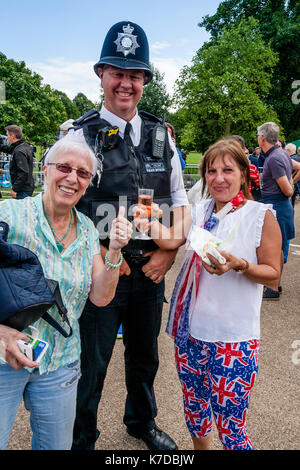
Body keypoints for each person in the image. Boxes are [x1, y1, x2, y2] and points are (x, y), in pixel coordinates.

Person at [71, 21, 188, 451]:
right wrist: (102, 259)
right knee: (92, 363)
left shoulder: (162, 136)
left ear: (145, 81)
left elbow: (179, 204)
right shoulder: (77, 136)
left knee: (145, 360)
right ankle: (81, 437)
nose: (126, 83)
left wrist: (168, 256)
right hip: (101, 274)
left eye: (134, 74)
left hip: (150, 274)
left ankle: (141, 422)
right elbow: (60, 213)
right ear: (100, 74)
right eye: (117, 72)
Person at [135, 139, 281, 450]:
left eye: (228, 170)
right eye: (211, 171)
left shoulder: (261, 216)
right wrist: (147, 223)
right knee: (196, 414)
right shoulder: (199, 209)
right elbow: (172, 239)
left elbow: (273, 273)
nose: (218, 178)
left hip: (233, 342)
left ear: (243, 173)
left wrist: (240, 265)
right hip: (190, 337)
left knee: (232, 430)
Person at [0, 136, 132, 450]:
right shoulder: (8, 215)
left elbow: (100, 297)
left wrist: (114, 251)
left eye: (83, 173)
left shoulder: (86, 229)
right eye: (64, 167)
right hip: (3, 358)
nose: (72, 178)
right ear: (45, 170)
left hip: (61, 362)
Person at [257, 122, 294, 300]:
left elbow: (287, 190)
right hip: (278, 205)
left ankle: (272, 287)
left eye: (258, 136)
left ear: (263, 138)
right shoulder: (281, 153)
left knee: (275, 248)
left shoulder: (275, 158)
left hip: (277, 206)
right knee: (278, 247)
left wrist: (291, 186)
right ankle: (275, 284)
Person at [0, 125, 35, 199]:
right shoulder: (22, 146)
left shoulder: (19, 151)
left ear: (12, 136)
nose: (7, 138)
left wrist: (15, 189)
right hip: (26, 187)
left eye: (7, 135)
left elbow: (23, 172)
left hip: (23, 189)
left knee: (21, 210)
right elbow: (9, 149)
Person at [285, 143, 300, 207]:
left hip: (292, 185)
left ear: (288, 150)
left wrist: (293, 181)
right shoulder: (298, 157)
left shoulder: (291, 159)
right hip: (297, 185)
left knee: (290, 206)